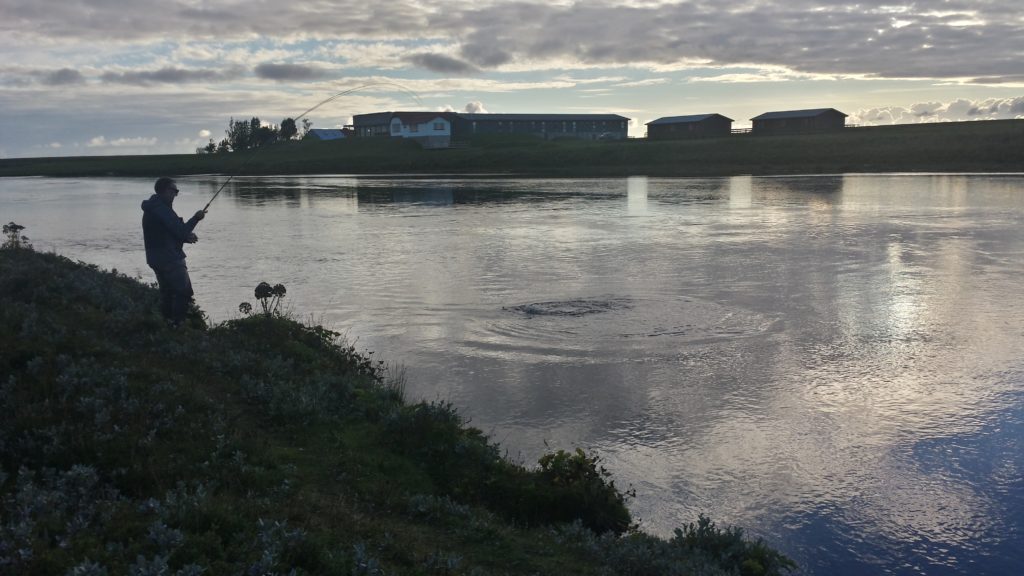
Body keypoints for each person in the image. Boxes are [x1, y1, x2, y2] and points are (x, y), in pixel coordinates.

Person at [142, 177, 205, 327]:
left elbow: (166, 233)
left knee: (168, 293)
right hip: (169, 258)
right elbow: (180, 230)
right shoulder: (162, 209)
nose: (176, 194)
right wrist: (196, 218)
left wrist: (185, 238)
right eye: (174, 190)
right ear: (164, 190)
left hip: (154, 258)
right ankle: (178, 325)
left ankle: (166, 324)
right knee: (184, 291)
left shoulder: (154, 207)